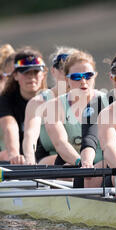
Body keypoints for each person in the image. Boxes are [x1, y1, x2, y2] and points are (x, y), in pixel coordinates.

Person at [44, 49, 106, 187]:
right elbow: (60, 143)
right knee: (77, 173)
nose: (83, 81)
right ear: (66, 79)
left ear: (95, 76)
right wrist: (81, 163)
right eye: (76, 77)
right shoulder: (53, 106)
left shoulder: (109, 102)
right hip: (71, 164)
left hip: (104, 165)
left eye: (88, 75)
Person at [0, 47, 48, 162]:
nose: (31, 76)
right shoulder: (5, 100)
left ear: (43, 74)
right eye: (26, 72)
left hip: (46, 156)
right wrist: (14, 154)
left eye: (36, 72)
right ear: (15, 75)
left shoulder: (53, 98)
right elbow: (10, 128)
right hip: (20, 158)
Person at [20, 47, 77, 165]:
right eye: (62, 69)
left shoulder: (92, 99)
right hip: (52, 160)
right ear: (53, 71)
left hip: (87, 160)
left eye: (72, 70)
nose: (67, 74)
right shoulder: (38, 102)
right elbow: (30, 134)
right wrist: (30, 158)